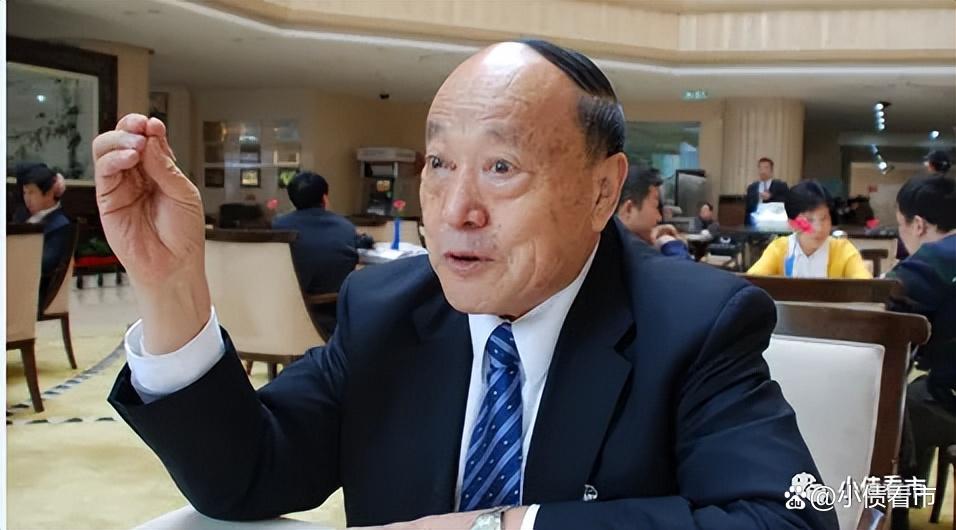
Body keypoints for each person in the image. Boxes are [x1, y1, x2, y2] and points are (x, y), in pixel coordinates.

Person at [95, 40, 835, 530]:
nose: (456, 211)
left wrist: (506, 524)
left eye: (502, 168)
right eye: (441, 165)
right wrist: (170, 288)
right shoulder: (385, 309)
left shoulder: (695, 322)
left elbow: (789, 518)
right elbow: (246, 477)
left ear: (603, 191)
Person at [888, 175, 956, 530]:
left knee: (894, 404)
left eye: (900, 225)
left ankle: (896, 513)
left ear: (918, 224)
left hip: (950, 399)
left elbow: (880, 307)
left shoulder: (932, 261)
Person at [271, 171, 359, 335]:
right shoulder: (345, 227)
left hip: (281, 315)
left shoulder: (277, 227)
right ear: (324, 198)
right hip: (332, 317)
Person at [748, 180, 871, 279]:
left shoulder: (843, 250)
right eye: (809, 220)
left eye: (824, 218)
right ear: (792, 223)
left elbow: (865, 287)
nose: (819, 228)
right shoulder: (779, 249)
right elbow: (752, 283)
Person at [13, 163, 73, 303]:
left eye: (32, 192)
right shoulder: (22, 217)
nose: (27, 198)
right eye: (25, 193)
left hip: (35, 292)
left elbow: (45, 264)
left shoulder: (60, 224)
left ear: (49, 193)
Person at [616, 167, 692, 259]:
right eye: (656, 206)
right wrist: (669, 242)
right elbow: (682, 266)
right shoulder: (630, 259)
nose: (659, 217)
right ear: (629, 209)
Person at [745, 157, 789, 224]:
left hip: (773, 222)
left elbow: (787, 202)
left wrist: (771, 197)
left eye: (766, 168)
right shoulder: (752, 188)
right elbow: (748, 209)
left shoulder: (781, 185)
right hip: (754, 223)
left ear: (771, 170)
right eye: (760, 168)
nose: (763, 171)